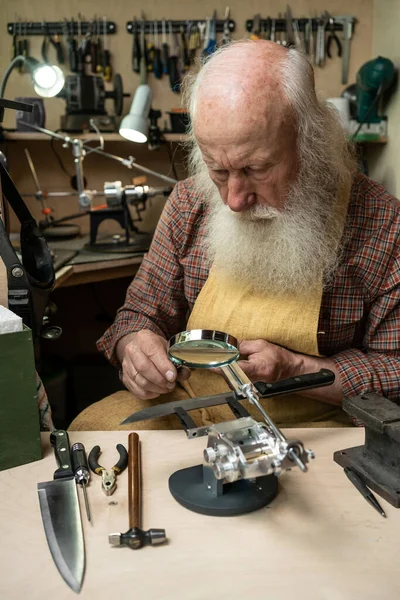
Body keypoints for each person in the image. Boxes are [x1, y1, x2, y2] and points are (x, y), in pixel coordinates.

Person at [69, 40, 400, 431]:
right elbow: (138, 315)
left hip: (314, 424)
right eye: (218, 171)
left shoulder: (381, 221)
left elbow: (395, 372)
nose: (235, 200)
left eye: (256, 168)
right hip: (188, 409)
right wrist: (136, 350)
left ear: (310, 143)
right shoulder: (188, 203)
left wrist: (296, 368)